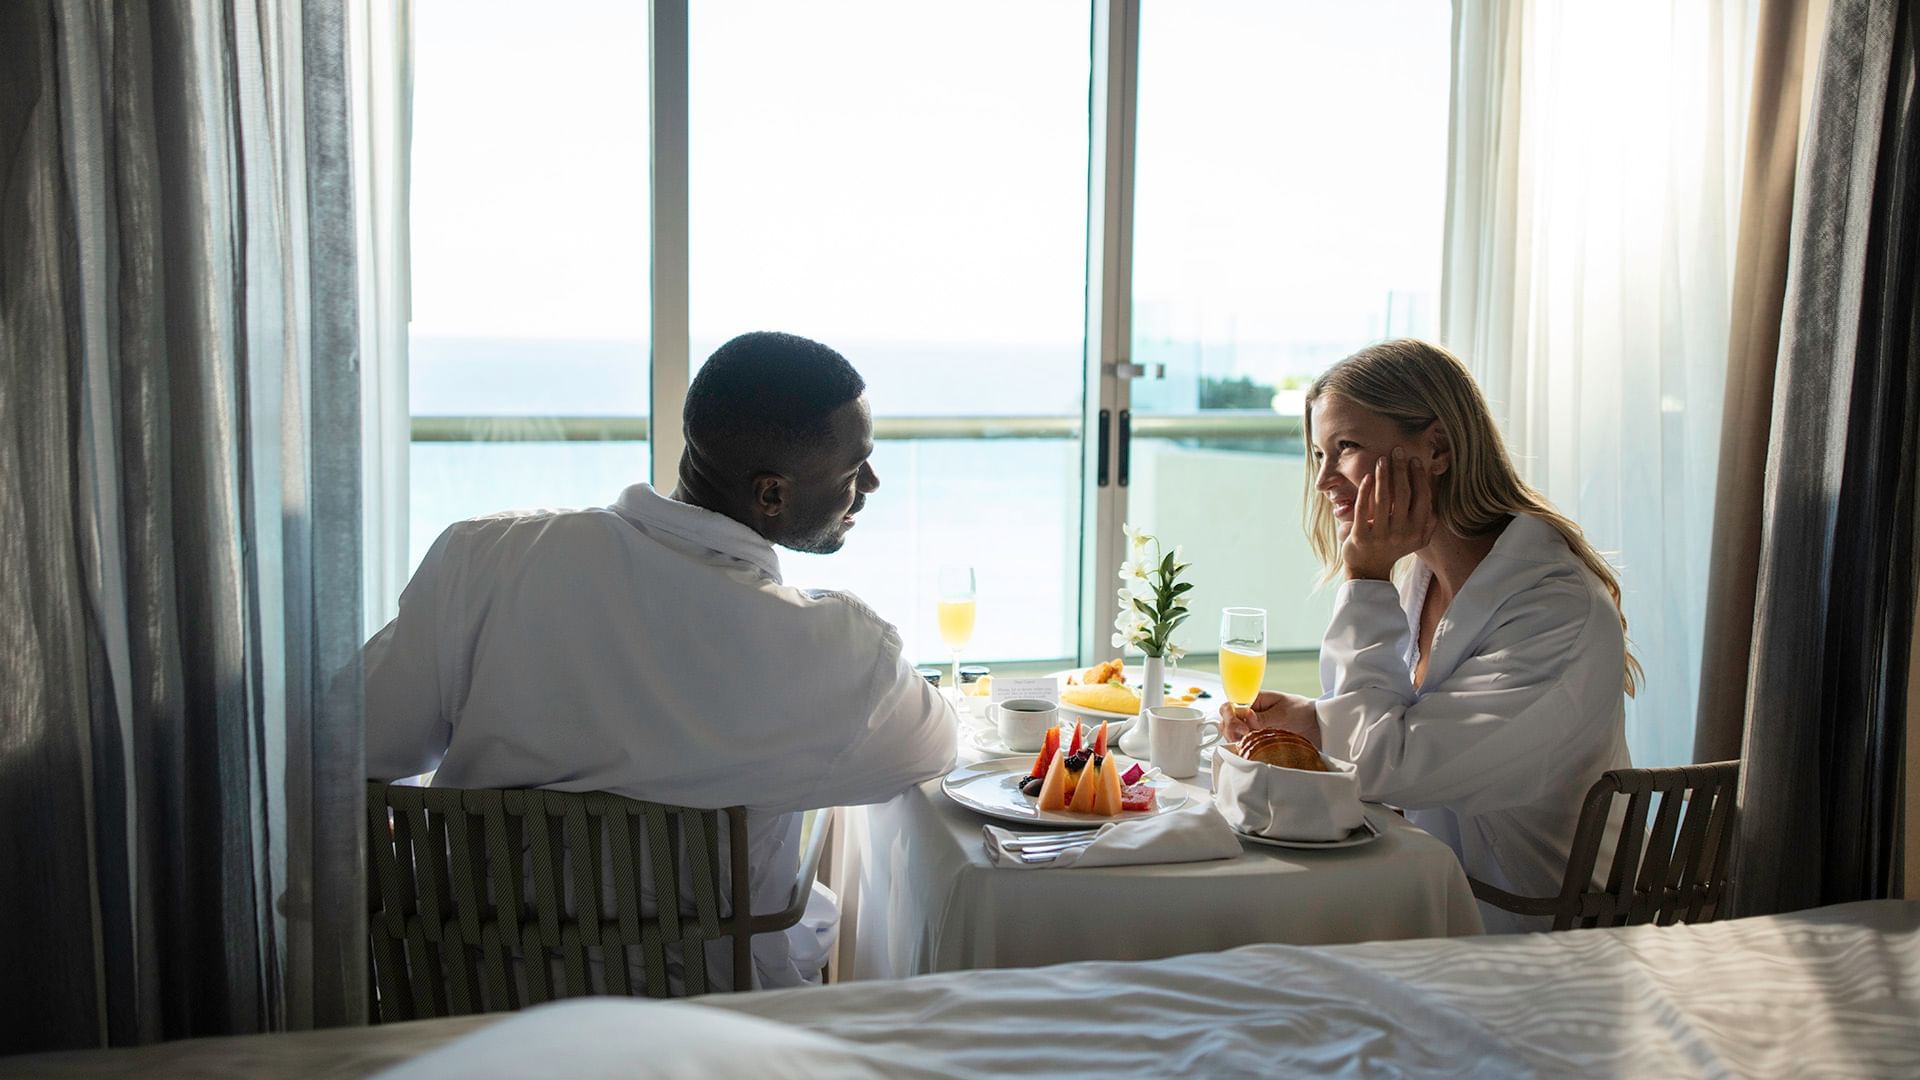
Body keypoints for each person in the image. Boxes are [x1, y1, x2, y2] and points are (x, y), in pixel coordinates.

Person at [364, 331, 957, 987]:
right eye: (854, 471)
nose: (871, 484)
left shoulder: (485, 561)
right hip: (706, 1017)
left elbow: (347, 744)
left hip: (475, 1000)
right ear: (769, 495)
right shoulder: (832, 652)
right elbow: (933, 746)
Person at [1223, 339, 1635, 933]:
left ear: (1436, 447)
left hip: (1530, 928)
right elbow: (1405, 728)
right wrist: (1313, 720)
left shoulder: (1554, 610)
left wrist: (1364, 578)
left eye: (1347, 448)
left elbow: (1389, 764)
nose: (1324, 481)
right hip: (1427, 892)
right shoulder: (1421, 579)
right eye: (1319, 454)